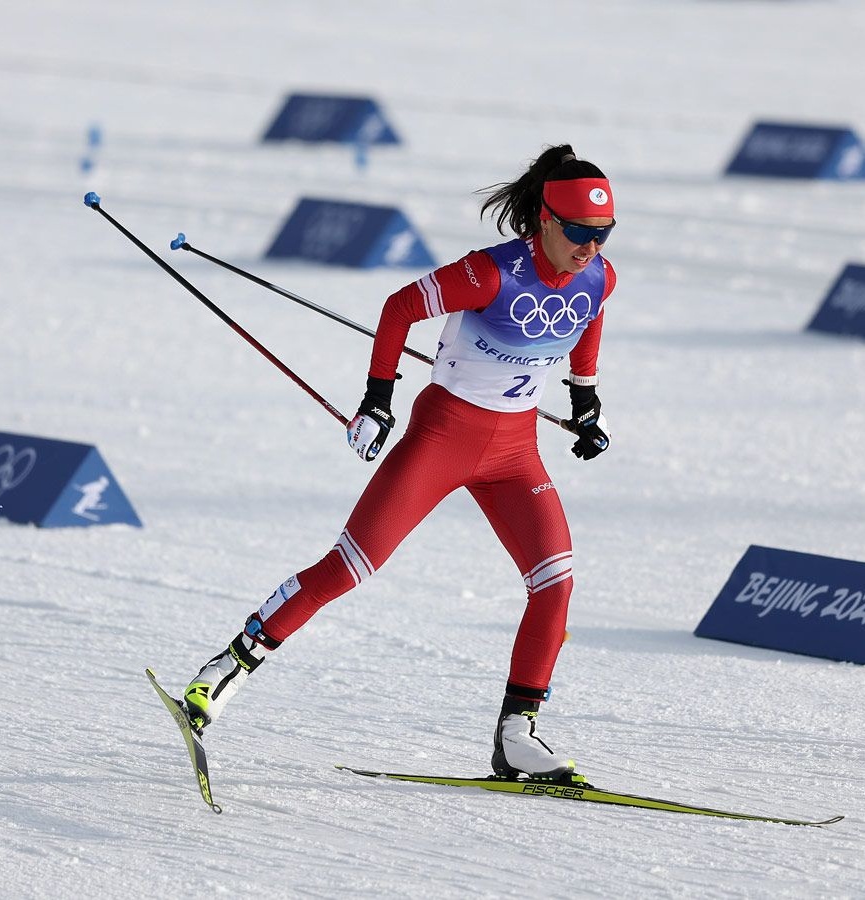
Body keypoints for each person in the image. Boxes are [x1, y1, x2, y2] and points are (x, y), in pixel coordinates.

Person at [183, 144, 617, 779]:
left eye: (603, 233)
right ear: (547, 220)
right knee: (351, 568)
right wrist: (376, 402)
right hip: (445, 436)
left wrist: (586, 401)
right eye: (579, 231)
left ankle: (516, 734)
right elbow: (398, 308)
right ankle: (222, 672)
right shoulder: (489, 273)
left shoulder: (599, 275)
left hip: (516, 449)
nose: (590, 247)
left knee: (555, 581)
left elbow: (590, 319)